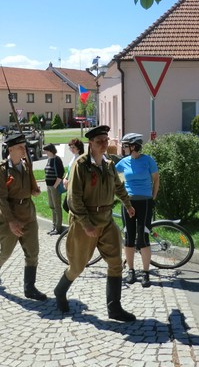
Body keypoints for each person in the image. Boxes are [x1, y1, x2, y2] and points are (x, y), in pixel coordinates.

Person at [53, 125, 136, 322]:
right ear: (90, 143)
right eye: (100, 141)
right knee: (77, 266)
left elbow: (118, 186)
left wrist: (128, 204)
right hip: (85, 222)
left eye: (106, 140)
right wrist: (86, 224)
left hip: (106, 220)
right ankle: (60, 290)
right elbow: (74, 199)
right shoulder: (80, 165)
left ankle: (114, 308)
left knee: (116, 263)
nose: (104, 144)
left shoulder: (109, 164)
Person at [0, 133, 47, 301]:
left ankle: (29, 288)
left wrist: (34, 191)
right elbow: (1, 199)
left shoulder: (26, 166)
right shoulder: (2, 170)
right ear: (11, 149)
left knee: (33, 253)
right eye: (20, 147)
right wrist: (12, 222)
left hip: (28, 214)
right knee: (5, 252)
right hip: (9, 216)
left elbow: (30, 188)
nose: (24, 150)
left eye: (24, 146)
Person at [115, 133, 160, 288]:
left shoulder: (148, 161)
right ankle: (131, 270)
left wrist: (153, 198)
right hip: (128, 203)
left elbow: (156, 179)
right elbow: (116, 180)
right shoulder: (123, 163)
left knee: (143, 238)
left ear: (134, 146)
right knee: (129, 237)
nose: (124, 148)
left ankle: (146, 272)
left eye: (126, 145)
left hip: (145, 202)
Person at [43, 143, 65, 235]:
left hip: (54, 186)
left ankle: (58, 228)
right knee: (52, 206)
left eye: (46, 150)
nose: (45, 152)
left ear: (50, 150)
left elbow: (61, 173)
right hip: (49, 186)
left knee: (57, 207)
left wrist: (55, 185)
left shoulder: (57, 159)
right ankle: (54, 226)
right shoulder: (49, 159)